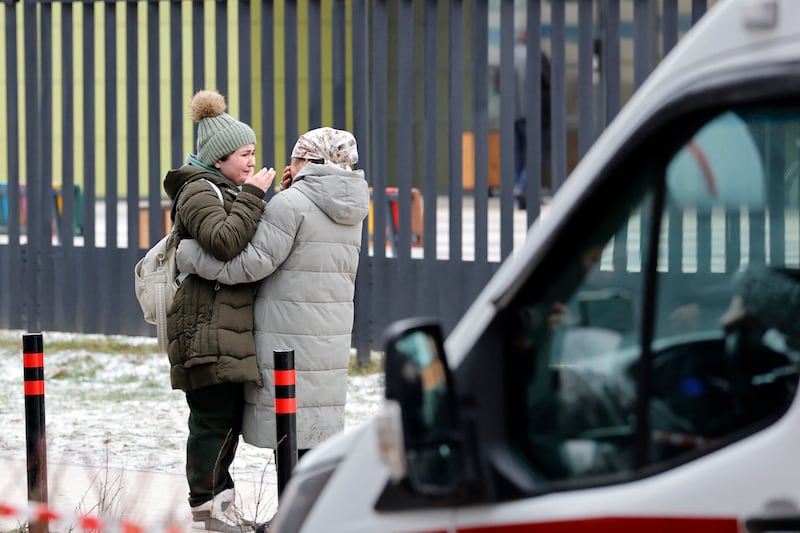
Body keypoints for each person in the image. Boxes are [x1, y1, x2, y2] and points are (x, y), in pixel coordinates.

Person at [176, 125, 369, 467]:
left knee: (289, 422)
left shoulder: (292, 203)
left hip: (287, 330)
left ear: (308, 160)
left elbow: (248, 266)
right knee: (314, 424)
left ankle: (288, 515)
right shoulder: (351, 205)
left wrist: (189, 257)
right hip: (331, 333)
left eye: (294, 156)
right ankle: (307, 513)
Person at [163, 89, 275, 533]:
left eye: (253, 154)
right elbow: (225, 241)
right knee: (211, 420)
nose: (251, 162)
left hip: (224, 324)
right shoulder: (196, 190)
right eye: (245, 154)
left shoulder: (224, 187)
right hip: (205, 325)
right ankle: (206, 509)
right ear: (221, 156)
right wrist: (252, 195)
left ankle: (220, 509)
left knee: (225, 420)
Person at [512, 29, 551, 210]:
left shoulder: (509, 55)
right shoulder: (537, 56)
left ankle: (519, 197)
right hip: (535, 115)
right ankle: (521, 186)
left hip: (512, 114)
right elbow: (549, 81)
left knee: (517, 156)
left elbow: (498, 82)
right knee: (538, 153)